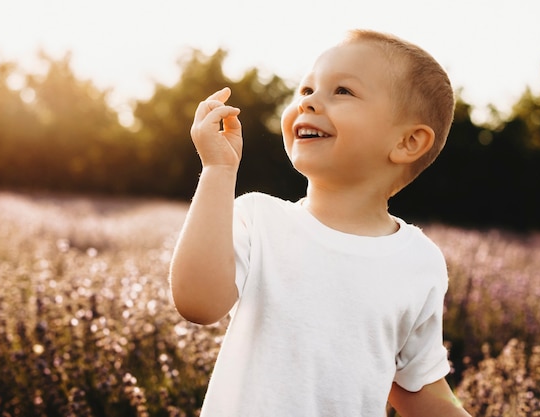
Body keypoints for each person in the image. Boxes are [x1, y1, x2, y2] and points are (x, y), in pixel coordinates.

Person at [170, 29, 472, 417]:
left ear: (408, 142)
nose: (310, 102)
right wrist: (217, 169)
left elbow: (418, 386)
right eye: (306, 90)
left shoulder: (420, 262)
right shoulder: (260, 220)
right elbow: (198, 302)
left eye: (342, 91)